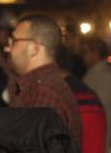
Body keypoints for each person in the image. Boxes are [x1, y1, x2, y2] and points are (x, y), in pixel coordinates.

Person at [6, 14, 82, 142]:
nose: (7, 48)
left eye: (14, 41)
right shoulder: (39, 86)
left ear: (34, 48)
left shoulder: (44, 93)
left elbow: (27, 151)